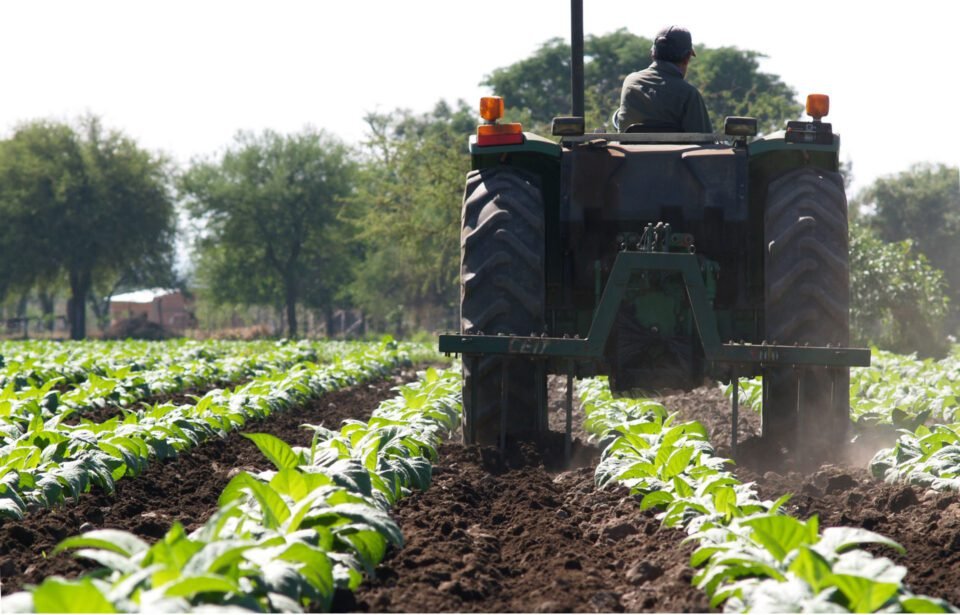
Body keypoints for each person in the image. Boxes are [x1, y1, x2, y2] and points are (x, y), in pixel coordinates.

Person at [613, 26, 713, 133]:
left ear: (653, 53)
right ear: (687, 58)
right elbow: (704, 138)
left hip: (630, 149)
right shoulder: (689, 94)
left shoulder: (630, 81)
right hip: (675, 150)